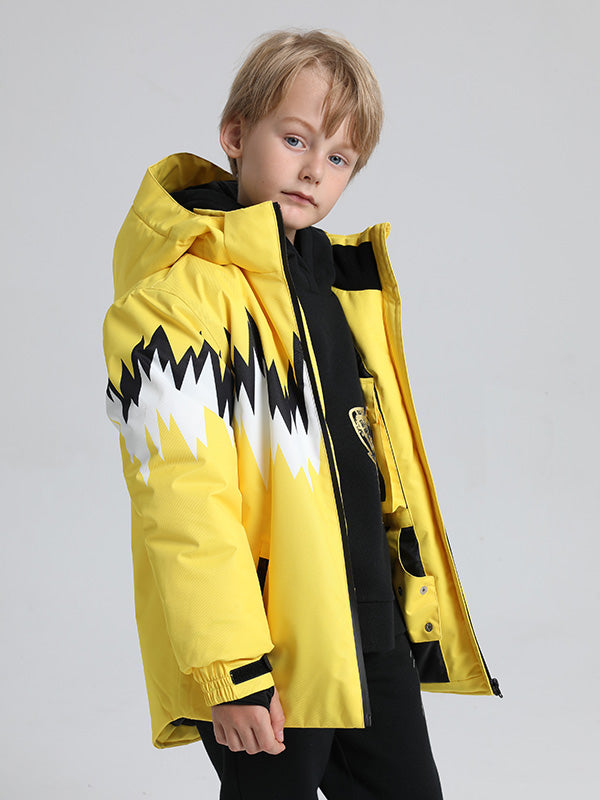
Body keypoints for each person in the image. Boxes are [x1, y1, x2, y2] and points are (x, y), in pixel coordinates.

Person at [103, 29, 500, 800]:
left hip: (368, 626)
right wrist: (232, 670)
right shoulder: (178, 298)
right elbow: (182, 501)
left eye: (340, 157)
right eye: (295, 139)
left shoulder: (331, 286)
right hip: (269, 641)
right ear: (234, 135)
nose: (315, 169)